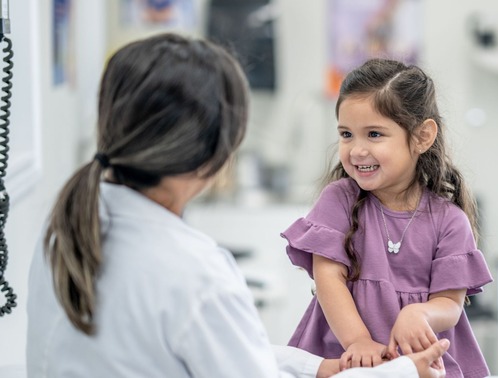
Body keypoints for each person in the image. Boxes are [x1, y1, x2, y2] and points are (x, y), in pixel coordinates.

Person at [26, 33, 449, 378]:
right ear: (217, 150)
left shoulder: (66, 230)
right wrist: (403, 373)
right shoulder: (198, 275)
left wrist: (317, 367)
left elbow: (233, 357)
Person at [281, 58, 494, 378]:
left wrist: (420, 313)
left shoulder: (449, 220)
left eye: (375, 134)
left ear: (423, 136)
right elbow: (328, 279)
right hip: (344, 356)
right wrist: (359, 341)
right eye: (346, 134)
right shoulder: (338, 199)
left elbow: (450, 304)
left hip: (422, 363)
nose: (357, 150)